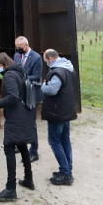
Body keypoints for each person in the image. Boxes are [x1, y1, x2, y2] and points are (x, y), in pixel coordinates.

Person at [0, 52, 35, 202]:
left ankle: (10, 189)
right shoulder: (19, 73)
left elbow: (13, 96)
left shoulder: (8, 76)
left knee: (9, 148)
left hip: (15, 117)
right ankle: (28, 179)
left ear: (4, 64)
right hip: (23, 115)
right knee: (21, 146)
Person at [41, 49, 78, 186]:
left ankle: (66, 174)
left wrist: (44, 85)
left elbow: (51, 90)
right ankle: (67, 169)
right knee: (64, 140)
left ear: (50, 58)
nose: (45, 63)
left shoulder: (57, 71)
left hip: (57, 113)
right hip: (66, 110)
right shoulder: (67, 67)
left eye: (45, 60)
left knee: (55, 142)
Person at [14, 35, 41, 162]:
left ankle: (34, 151)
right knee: (19, 120)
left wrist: (23, 79)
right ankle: (20, 145)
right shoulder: (17, 56)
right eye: (16, 47)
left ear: (26, 45)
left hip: (30, 94)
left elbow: (36, 76)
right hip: (19, 93)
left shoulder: (36, 57)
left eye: (19, 47)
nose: (17, 50)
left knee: (30, 123)